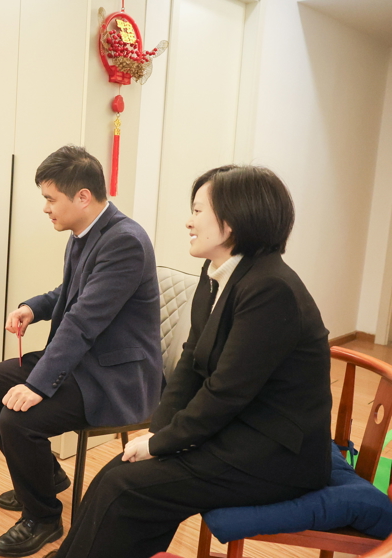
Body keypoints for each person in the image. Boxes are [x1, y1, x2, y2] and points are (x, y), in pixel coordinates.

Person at [51, 165, 333, 558]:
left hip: (275, 455)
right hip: (238, 430)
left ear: (233, 221)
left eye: (198, 211)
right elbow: (190, 363)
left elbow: (226, 392)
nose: (189, 221)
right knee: (117, 473)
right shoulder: (219, 272)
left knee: (125, 488)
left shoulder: (270, 289)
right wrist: (158, 433)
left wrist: (163, 443)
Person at [0, 145, 162, 557]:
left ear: (83, 197)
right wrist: (33, 308)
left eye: (50, 199)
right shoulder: (84, 233)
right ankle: (46, 477)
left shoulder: (124, 242)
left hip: (112, 376)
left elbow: (83, 321)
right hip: (80, 362)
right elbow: (69, 294)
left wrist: (37, 385)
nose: (46, 208)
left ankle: (43, 518)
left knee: (18, 419)